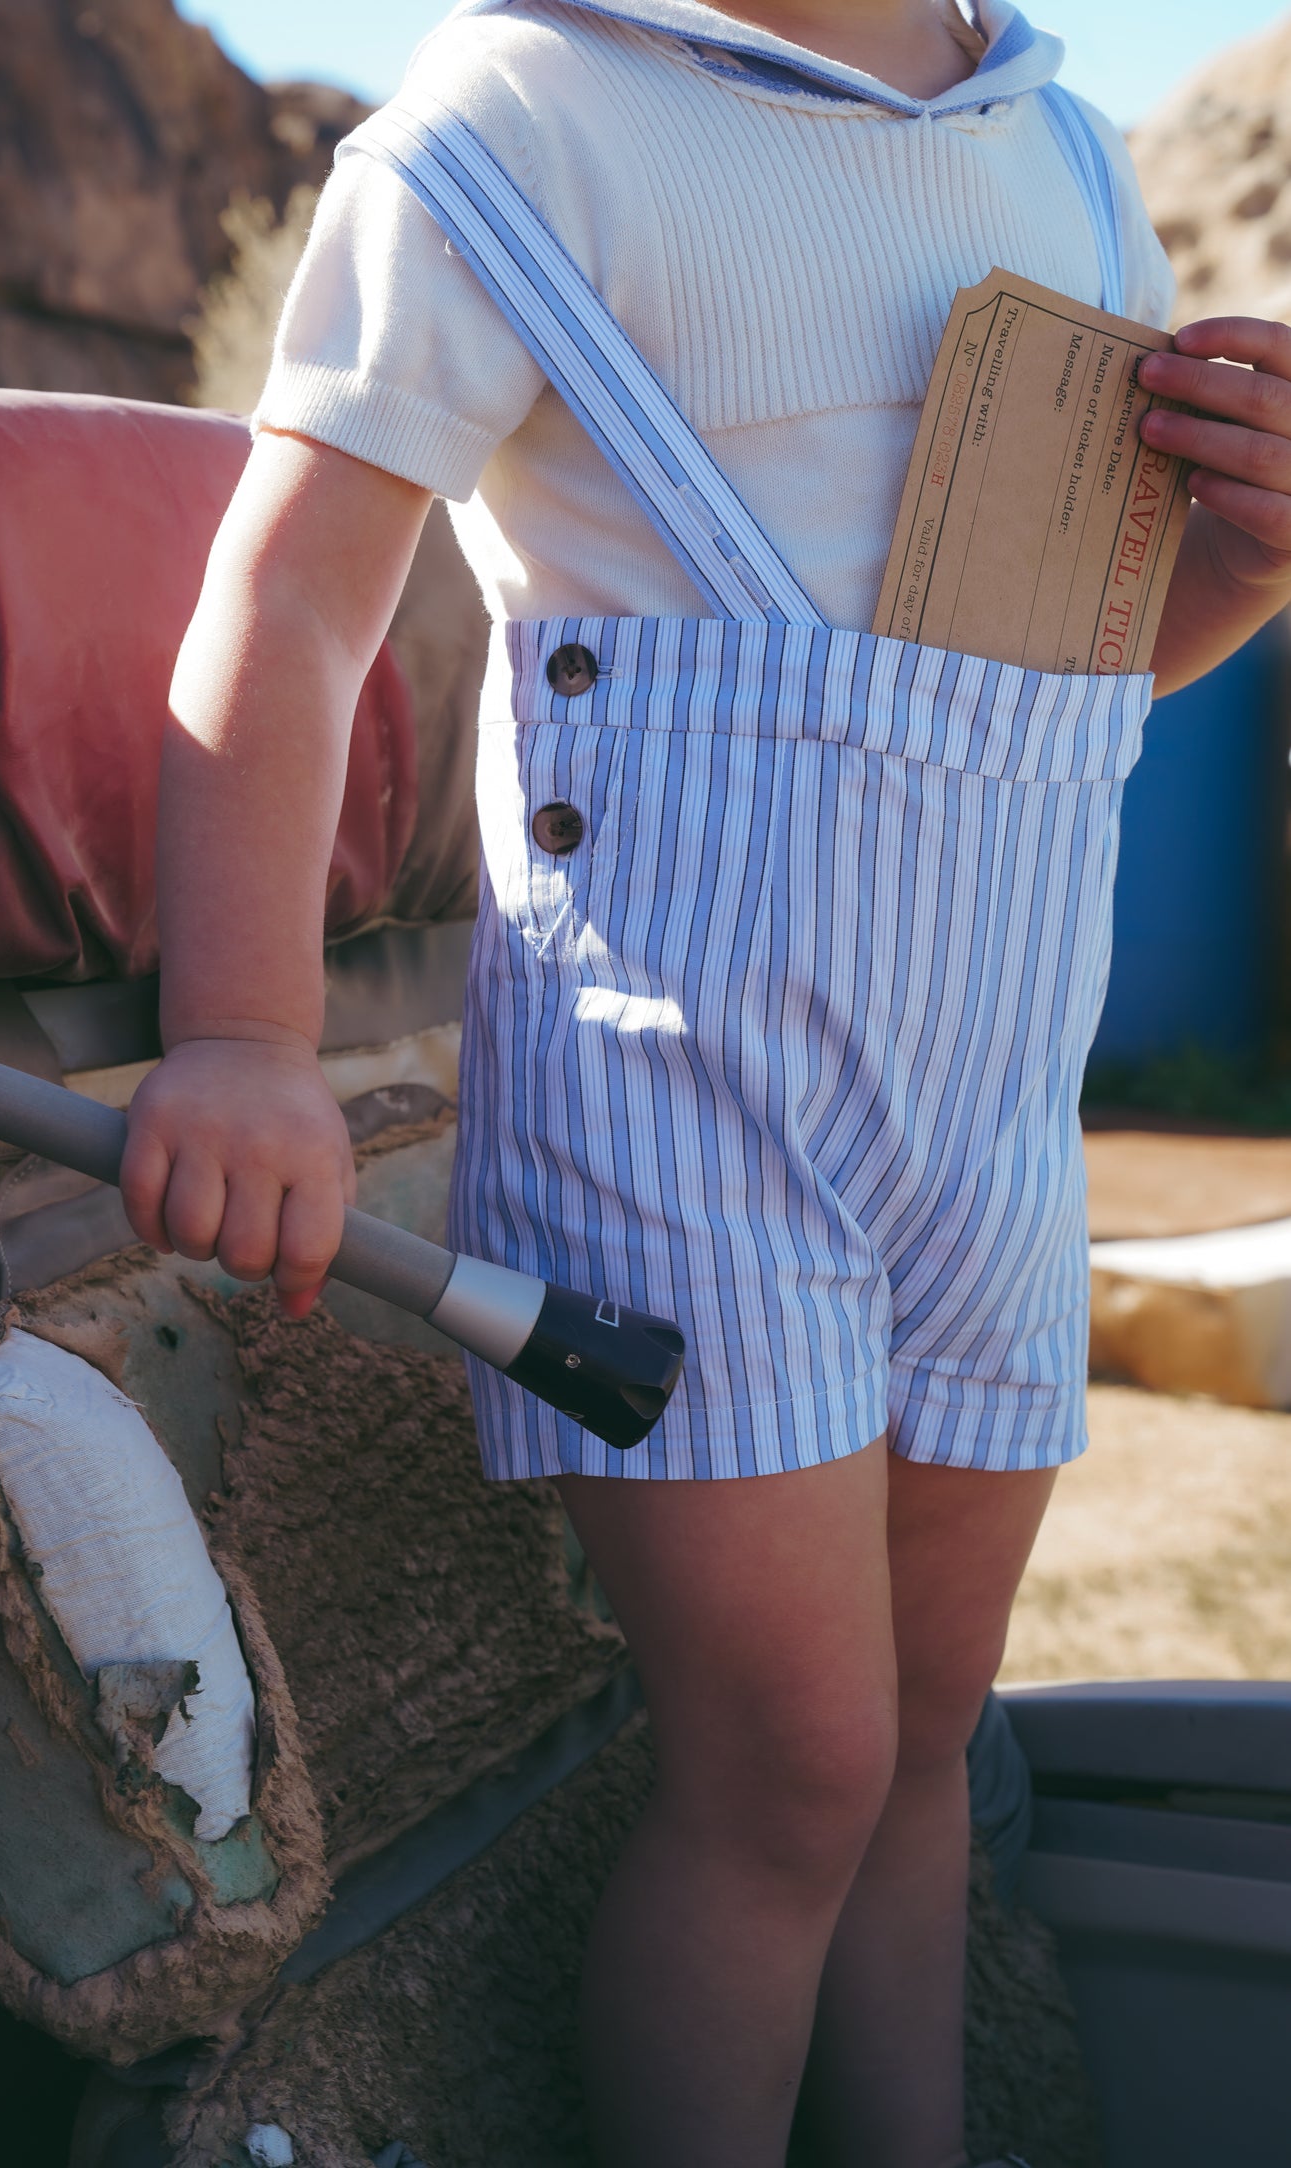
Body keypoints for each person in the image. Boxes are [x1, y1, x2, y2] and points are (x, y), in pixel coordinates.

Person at [121, 3, 1291, 2161]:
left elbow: (1063, 662)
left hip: (991, 1112)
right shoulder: (512, 125)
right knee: (793, 1772)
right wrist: (246, 1039)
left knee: (930, 1741)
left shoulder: (1064, 160)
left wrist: (1237, 562)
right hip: (685, 1110)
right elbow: (288, 610)